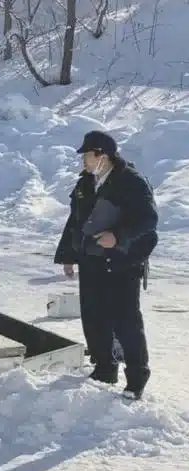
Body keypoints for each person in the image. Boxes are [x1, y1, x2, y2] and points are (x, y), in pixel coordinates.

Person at [54, 130, 158, 400]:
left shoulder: (131, 181)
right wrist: (68, 254)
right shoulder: (85, 183)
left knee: (126, 321)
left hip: (123, 262)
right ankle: (104, 367)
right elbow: (75, 220)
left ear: (103, 155)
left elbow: (149, 220)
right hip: (91, 260)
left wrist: (118, 237)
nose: (83, 160)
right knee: (94, 316)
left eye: (87, 155)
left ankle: (137, 376)